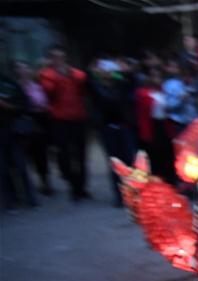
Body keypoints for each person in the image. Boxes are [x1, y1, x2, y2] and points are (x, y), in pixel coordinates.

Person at [39, 45, 90, 200]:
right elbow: (49, 91)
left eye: (61, 57)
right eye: (55, 57)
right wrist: (59, 76)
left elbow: (83, 83)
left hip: (78, 117)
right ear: (51, 59)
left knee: (81, 155)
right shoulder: (47, 74)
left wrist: (68, 74)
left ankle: (81, 188)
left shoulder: (74, 73)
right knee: (65, 154)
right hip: (60, 119)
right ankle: (72, 182)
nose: (58, 60)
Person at [89, 57, 137, 206]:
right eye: (105, 71)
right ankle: (119, 195)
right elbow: (90, 79)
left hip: (124, 127)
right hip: (108, 128)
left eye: (111, 71)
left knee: (129, 161)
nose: (108, 74)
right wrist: (98, 73)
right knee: (115, 162)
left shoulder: (122, 84)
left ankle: (133, 192)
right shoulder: (97, 87)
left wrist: (117, 73)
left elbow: (131, 79)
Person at [0, 71, 37, 210]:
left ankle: (30, 197)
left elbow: (24, 105)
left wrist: (7, 106)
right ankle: (10, 201)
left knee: (21, 166)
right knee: (2, 171)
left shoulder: (8, 83)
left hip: (12, 132)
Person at [14, 60, 52, 196]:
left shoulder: (37, 86)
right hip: (23, 125)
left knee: (41, 155)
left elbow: (43, 103)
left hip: (39, 122)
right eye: (20, 69)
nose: (24, 71)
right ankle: (28, 186)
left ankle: (45, 182)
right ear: (17, 72)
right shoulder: (16, 87)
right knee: (25, 156)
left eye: (26, 69)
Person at [135, 68, 176, 184]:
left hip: (163, 126)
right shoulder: (143, 93)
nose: (157, 79)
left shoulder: (162, 92)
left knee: (167, 155)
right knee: (154, 157)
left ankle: (169, 181)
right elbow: (144, 114)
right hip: (152, 127)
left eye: (159, 77)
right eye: (154, 77)